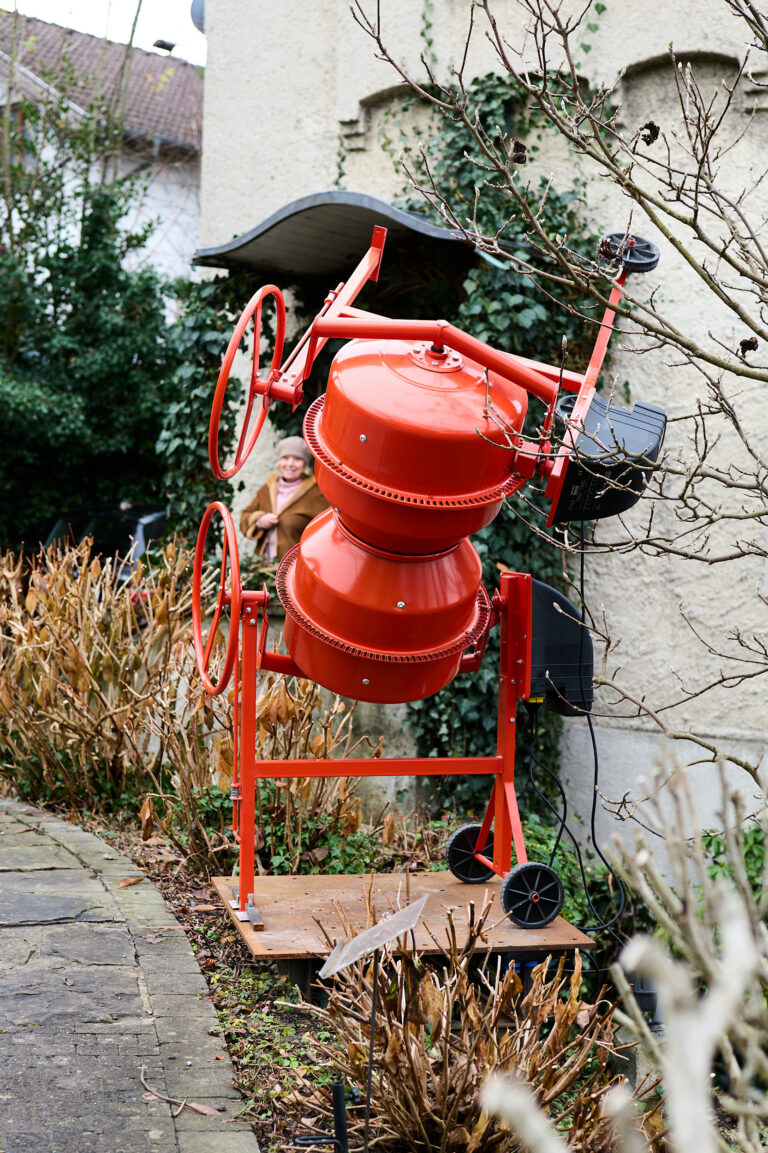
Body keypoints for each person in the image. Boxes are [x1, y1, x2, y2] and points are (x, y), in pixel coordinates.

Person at [240, 436, 328, 560]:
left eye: (297, 459)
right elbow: (245, 516)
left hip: (294, 569)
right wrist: (259, 521)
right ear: (279, 462)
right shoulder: (267, 489)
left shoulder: (316, 493)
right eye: (285, 458)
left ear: (305, 464)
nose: (290, 464)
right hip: (263, 566)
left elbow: (325, 534)